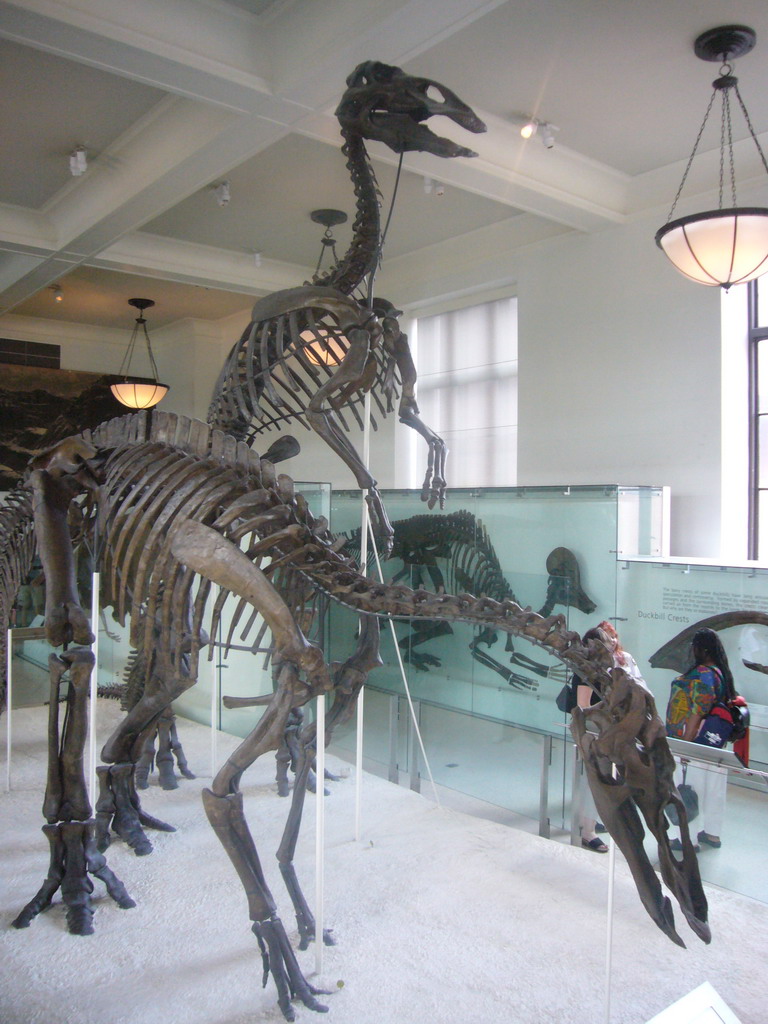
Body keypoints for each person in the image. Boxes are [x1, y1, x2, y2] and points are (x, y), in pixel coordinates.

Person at [572, 621, 649, 853]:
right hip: (600, 733)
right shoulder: (586, 669)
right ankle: (587, 830)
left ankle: (597, 821)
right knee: (597, 778)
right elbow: (583, 706)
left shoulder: (620, 660)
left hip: (620, 731)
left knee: (612, 778)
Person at [665, 627, 737, 851]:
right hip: (713, 742)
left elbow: (698, 710)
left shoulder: (704, 674)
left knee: (686, 789)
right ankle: (712, 834)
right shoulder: (719, 671)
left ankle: (686, 839)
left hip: (692, 743)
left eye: (694, 646)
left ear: (701, 649)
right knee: (713, 789)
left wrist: (685, 744)